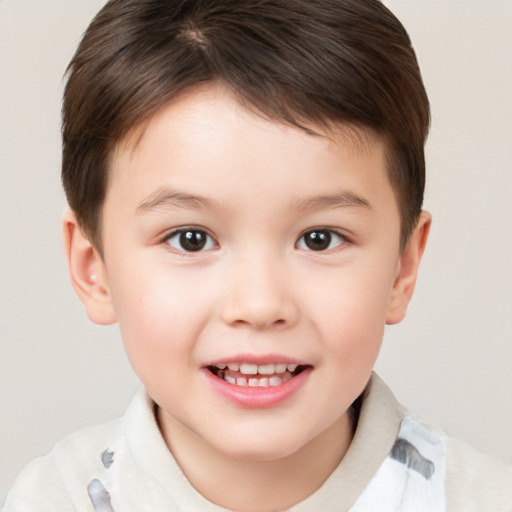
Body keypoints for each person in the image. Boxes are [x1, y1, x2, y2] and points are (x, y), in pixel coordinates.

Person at [3, 0, 511, 510]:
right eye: (191, 239)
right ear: (94, 269)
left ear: (402, 269)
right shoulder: (51, 500)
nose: (261, 303)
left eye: (320, 238)